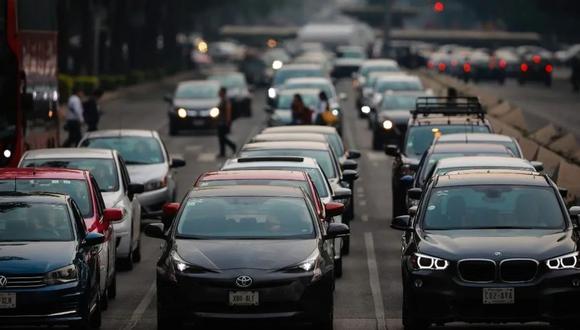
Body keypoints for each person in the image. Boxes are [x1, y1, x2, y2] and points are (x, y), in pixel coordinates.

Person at [216, 87, 237, 157]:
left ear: (223, 92)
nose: (218, 93)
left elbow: (228, 111)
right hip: (220, 121)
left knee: (222, 137)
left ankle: (232, 145)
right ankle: (222, 152)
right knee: (221, 137)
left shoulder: (226, 100)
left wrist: (228, 121)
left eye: (220, 91)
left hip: (223, 122)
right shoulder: (222, 100)